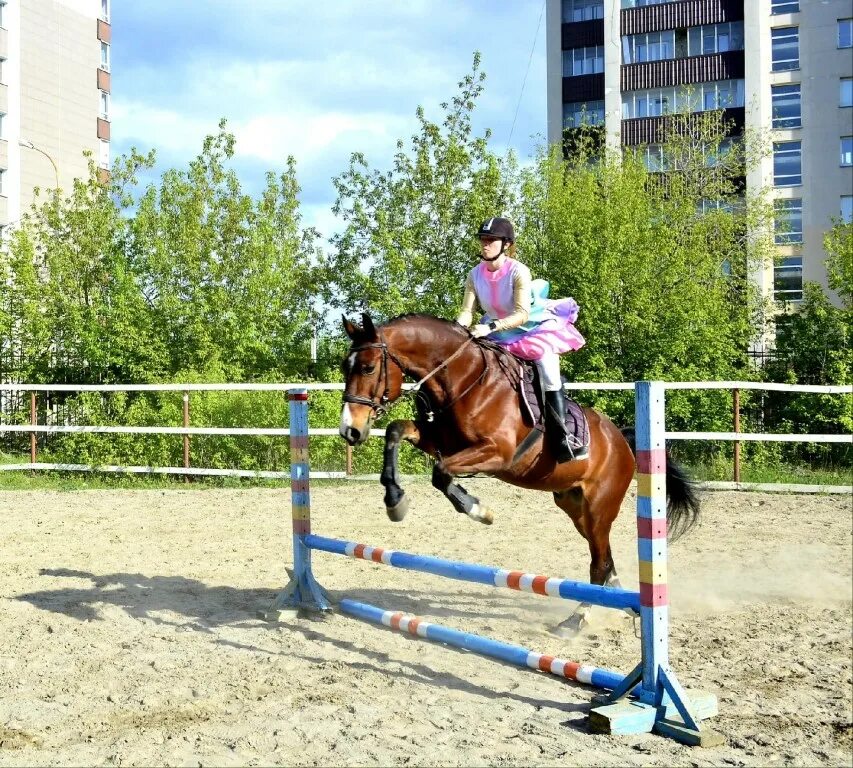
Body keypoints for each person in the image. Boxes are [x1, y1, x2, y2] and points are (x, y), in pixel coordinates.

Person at [455, 216, 587, 462]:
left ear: (506, 244)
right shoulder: (474, 274)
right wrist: (456, 329)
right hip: (492, 330)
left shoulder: (518, 271)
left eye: (491, 240)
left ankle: (563, 436)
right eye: (483, 239)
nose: (485, 244)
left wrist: (490, 327)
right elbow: (466, 312)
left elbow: (522, 313)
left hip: (529, 328)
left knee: (548, 370)